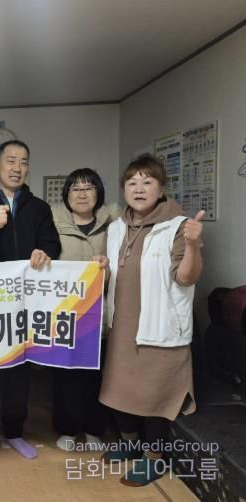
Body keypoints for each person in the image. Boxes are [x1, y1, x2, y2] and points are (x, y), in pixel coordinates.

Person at [99, 153, 204, 486]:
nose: (139, 188)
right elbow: (113, 275)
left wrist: (193, 245)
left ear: (161, 188)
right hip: (122, 326)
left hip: (160, 326)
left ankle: (154, 458)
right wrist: (101, 268)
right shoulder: (116, 227)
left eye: (147, 181)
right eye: (132, 183)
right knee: (118, 391)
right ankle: (130, 443)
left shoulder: (178, 226)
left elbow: (186, 277)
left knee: (155, 396)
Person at [0, 139, 61, 462]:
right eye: (10, 160)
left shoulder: (39, 207)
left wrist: (44, 252)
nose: (17, 167)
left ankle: (15, 431)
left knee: (20, 368)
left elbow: (52, 245)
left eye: (23, 161)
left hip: (24, 301)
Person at [50, 168, 117, 452]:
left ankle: (93, 429)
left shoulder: (113, 225)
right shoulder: (52, 222)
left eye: (88, 188)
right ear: (66, 195)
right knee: (65, 374)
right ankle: (67, 428)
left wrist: (107, 268)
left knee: (96, 375)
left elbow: (122, 265)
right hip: (64, 313)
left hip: (98, 312)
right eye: (75, 188)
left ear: (98, 193)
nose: (82, 194)